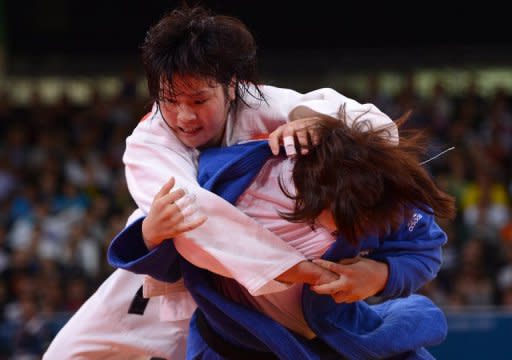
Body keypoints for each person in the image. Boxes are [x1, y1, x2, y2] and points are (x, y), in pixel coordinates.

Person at [44, 5, 399, 360]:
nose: (184, 116)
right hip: (168, 287)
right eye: (170, 100)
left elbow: (383, 131)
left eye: (199, 100)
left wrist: (319, 124)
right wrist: (298, 270)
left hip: (254, 297)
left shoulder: (259, 103)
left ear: (231, 87)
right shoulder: (148, 141)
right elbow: (194, 216)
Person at [108, 112, 456, 359]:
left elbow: (424, 249)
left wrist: (381, 276)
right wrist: (151, 235)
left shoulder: (380, 196)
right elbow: (180, 259)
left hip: (338, 335)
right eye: (333, 221)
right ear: (314, 190)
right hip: (236, 343)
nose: (338, 234)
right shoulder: (230, 182)